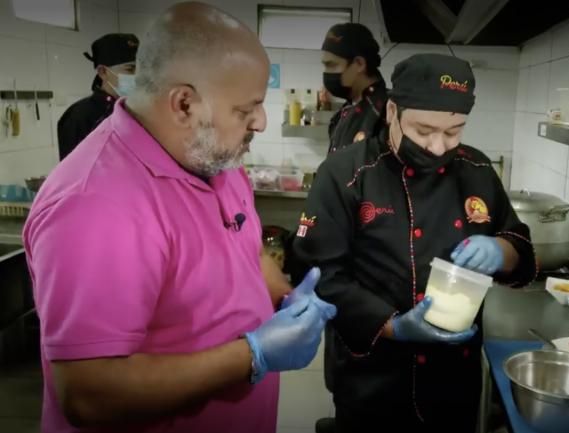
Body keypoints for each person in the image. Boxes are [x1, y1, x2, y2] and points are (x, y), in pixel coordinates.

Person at [23, 3, 335, 433]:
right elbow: (89, 394)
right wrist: (252, 355)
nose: (261, 122)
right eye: (246, 109)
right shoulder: (97, 206)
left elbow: (244, 252)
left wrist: (287, 299)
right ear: (184, 104)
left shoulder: (216, 160)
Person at [294, 53, 537, 432]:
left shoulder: (477, 169)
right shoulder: (345, 173)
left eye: (454, 131)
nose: (439, 146)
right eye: (424, 131)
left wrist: (500, 251)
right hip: (373, 377)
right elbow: (318, 274)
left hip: (454, 379)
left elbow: (518, 245)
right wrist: (394, 325)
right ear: (393, 111)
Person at [57, 33, 139, 160]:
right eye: (130, 69)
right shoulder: (79, 117)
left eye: (141, 69)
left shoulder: (137, 112)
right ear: (103, 72)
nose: (138, 76)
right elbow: (73, 168)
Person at [321, 23, 387, 154]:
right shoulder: (345, 112)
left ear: (359, 64)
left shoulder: (386, 114)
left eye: (332, 65)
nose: (327, 73)